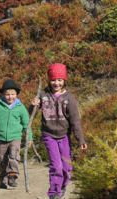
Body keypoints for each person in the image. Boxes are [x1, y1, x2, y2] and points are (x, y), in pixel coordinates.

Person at [32, 63, 87, 199]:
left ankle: (63, 185)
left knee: (67, 167)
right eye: (53, 79)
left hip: (64, 136)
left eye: (59, 80)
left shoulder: (69, 98)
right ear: (49, 80)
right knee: (56, 166)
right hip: (48, 134)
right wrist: (33, 105)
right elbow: (32, 113)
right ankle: (54, 193)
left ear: (64, 80)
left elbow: (75, 121)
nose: (56, 83)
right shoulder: (43, 94)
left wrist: (80, 139)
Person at [0, 79, 29, 190]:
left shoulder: (20, 107)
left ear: (16, 94)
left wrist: (29, 137)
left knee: (14, 155)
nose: (10, 97)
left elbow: (26, 124)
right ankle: (3, 180)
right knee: (2, 160)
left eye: (13, 94)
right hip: (2, 138)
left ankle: (12, 176)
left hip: (15, 137)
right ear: (2, 94)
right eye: (7, 94)